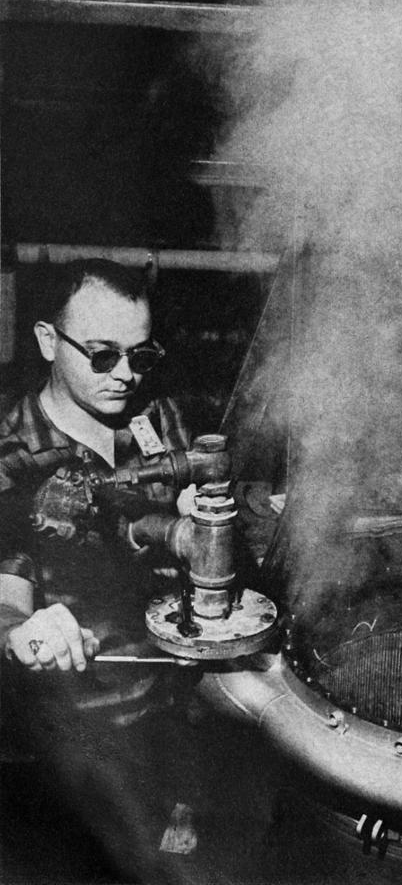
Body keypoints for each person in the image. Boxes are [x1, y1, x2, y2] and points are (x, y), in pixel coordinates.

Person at [0, 258, 203, 883]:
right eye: (102, 354)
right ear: (45, 341)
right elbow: (7, 595)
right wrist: (26, 628)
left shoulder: (158, 415)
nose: (125, 375)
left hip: (182, 741)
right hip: (79, 758)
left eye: (141, 356)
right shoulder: (14, 453)